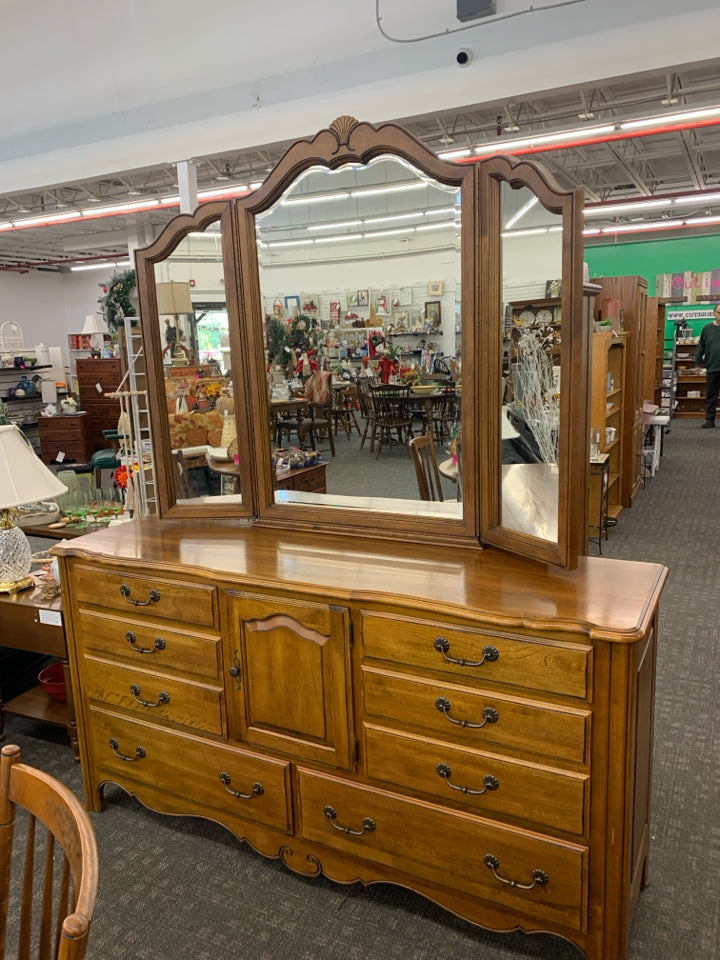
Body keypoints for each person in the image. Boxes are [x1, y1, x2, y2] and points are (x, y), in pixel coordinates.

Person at [694, 304, 720, 427]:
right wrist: (697, 363)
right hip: (712, 367)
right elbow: (701, 347)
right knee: (711, 396)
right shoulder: (707, 329)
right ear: (714, 313)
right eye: (719, 312)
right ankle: (710, 420)